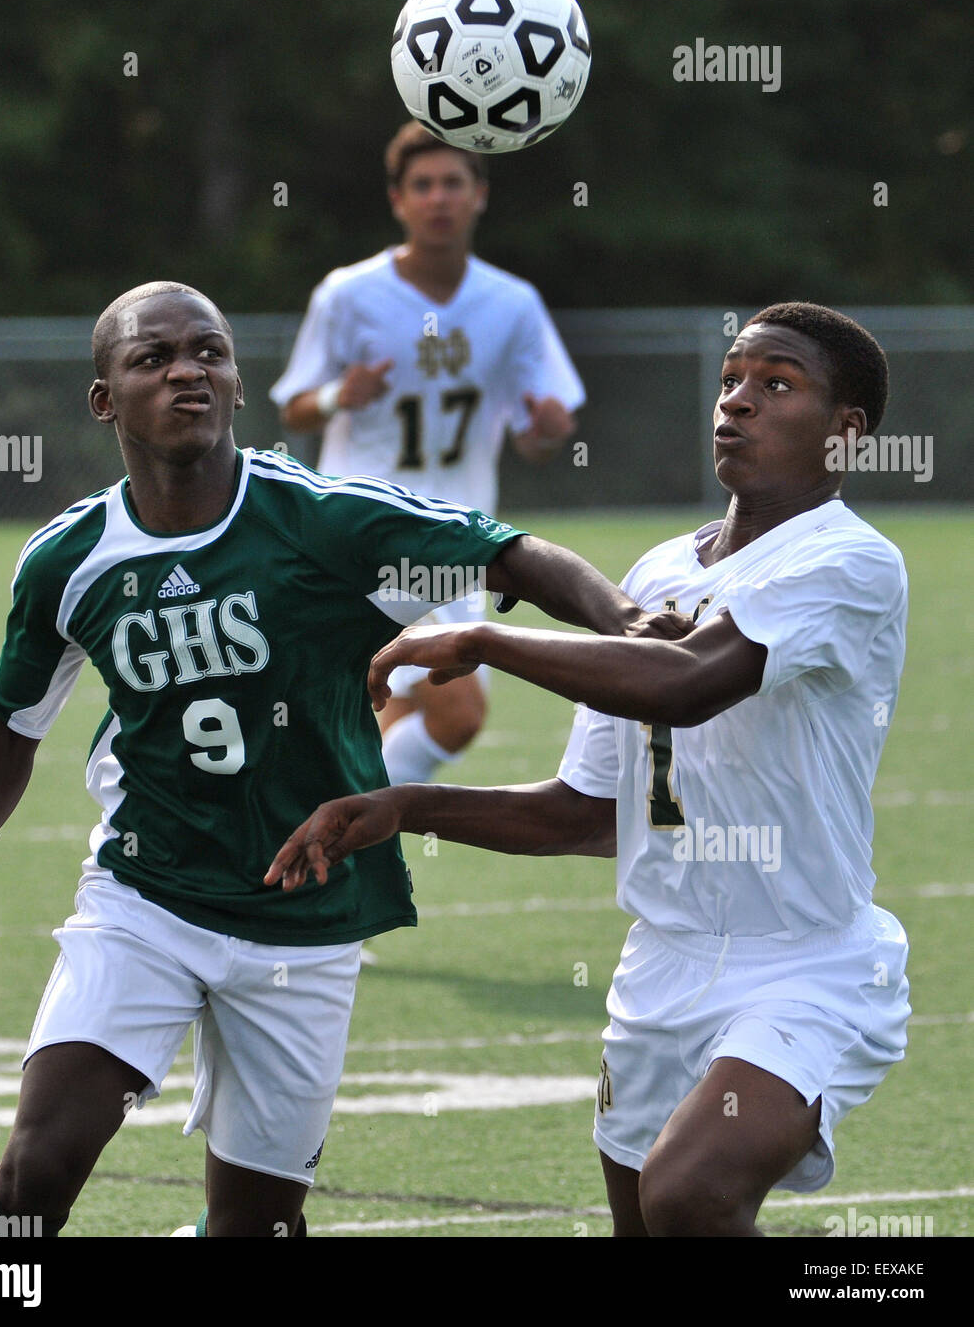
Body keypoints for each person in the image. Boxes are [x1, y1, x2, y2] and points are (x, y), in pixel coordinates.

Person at [0, 281, 645, 1239]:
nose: (188, 373)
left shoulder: (323, 519)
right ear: (105, 400)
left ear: (239, 383)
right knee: (37, 1167)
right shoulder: (68, 559)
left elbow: (513, 557)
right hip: (147, 898)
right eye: (154, 358)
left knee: (256, 1225)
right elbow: (8, 723)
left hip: (307, 913)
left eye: (209, 352)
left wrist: (626, 621)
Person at [265, 302, 912, 1237]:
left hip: (804, 962)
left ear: (846, 432)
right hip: (660, 965)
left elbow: (689, 683)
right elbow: (583, 812)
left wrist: (484, 637)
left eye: (777, 385)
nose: (737, 402)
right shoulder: (657, 574)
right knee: (647, 1224)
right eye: (731, 379)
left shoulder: (850, 560)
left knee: (688, 1193)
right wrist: (406, 804)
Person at [270, 121, 585, 786]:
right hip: (367, 530)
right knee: (458, 711)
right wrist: (338, 395)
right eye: (422, 185)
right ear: (397, 199)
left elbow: (536, 439)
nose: (438, 198)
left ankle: (341, 822)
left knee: (402, 713)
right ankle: (344, 821)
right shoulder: (348, 294)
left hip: (461, 538)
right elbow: (293, 405)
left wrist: (550, 429)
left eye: (452, 183)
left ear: (480, 194)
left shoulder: (512, 303)